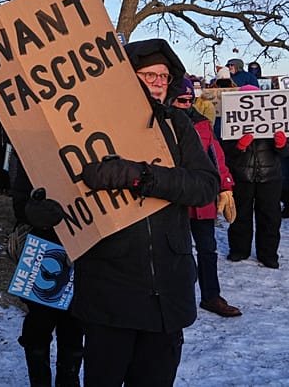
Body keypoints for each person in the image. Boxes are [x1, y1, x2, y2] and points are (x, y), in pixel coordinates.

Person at [25, 38, 219, 385]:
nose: (159, 82)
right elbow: (52, 192)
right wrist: (40, 213)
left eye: (164, 76)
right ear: (126, 79)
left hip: (168, 293)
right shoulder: (87, 127)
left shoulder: (178, 125)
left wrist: (142, 176)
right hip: (109, 294)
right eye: (149, 75)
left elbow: (205, 186)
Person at [171, 78, 241, 317]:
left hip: (201, 199)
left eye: (191, 100)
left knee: (207, 249)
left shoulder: (201, 124)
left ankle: (211, 296)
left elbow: (216, 156)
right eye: (182, 100)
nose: (187, 104)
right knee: (175, 253)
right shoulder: (160, 122)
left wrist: (226, 186)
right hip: (173, 198)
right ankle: (175, 298)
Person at [12, 159, 83, 386]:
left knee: (74, 328)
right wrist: (37, 213)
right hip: (43, 251)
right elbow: (20, 202)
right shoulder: (33, 151)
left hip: (83, 249)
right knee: (37, 328)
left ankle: (68, 380)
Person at [222, 85, 288, 269]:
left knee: (270, 217)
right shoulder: (230, 123)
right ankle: (239, 250)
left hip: (270, 177)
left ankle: (268, 254)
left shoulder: (277, 122)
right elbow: (225, 151)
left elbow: (286, 153)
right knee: (240, 215)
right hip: (242, 175)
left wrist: (282, 145)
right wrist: (238, 146)